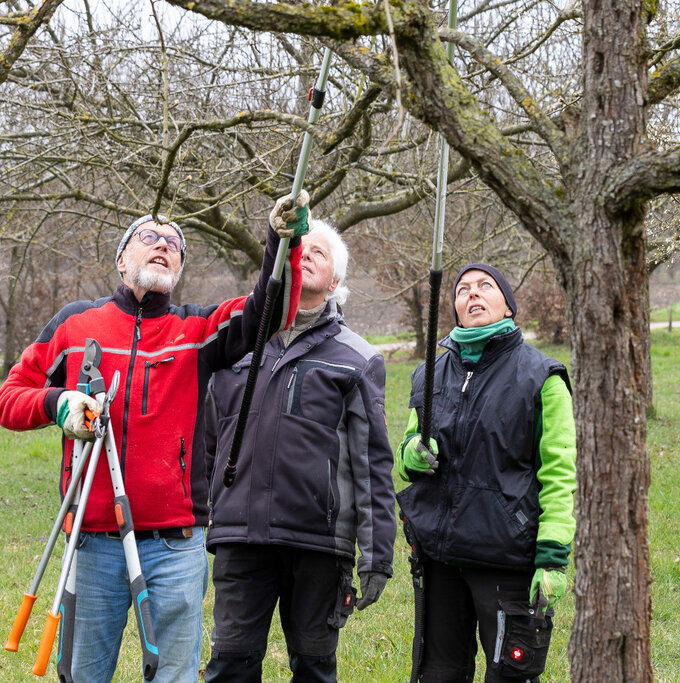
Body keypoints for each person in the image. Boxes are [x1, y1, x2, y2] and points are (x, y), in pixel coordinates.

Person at [0, 193, 307, 682]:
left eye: (174, 244)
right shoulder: (75, 325)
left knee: (173, 676)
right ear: (122, 260)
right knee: (82, 675)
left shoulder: (196, 330)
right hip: (91, 542)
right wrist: (57, 404)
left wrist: (282, 243)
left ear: (179, 269)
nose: (164, 245)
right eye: (150, 237)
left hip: (175, 547)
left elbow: (270, 312)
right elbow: (9, 398)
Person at [202, 217, 396, 682]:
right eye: (299, 249)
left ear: (335, 281)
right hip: (240, 536)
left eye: (318, 253)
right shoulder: (236, 347)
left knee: (313, 668)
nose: (305, 255)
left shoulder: (357, 359)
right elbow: (207, 441)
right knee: (230, 666)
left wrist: (377, 555)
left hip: (319, 543)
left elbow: (372, 464)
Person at [395, 263, 576, 683]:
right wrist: (411, 454)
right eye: (462, 290)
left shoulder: (542, 377)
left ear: (508, 306)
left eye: (485, 286)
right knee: (439, 676)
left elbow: (559, 474)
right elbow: (406, 451)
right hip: (439, 559)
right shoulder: (429, 374)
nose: (472, 294)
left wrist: (552, 559)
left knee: (509, 676)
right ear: (456, 309)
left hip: (506, 558)